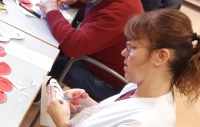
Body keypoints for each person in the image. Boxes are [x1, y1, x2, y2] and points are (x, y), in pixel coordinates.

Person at [46, 9, 200, 127]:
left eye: (132, 47)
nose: (123, 53)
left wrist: (62, 122)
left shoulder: (146, 122)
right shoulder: (140, 87)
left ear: (160, 57)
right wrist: (87, 102)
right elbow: (115, 115)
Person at [37, 0, 143, 101]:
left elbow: (73, 46)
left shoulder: (118, 12)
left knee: (51, 58)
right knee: (55, 45)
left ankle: (36, 98)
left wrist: (51, 10)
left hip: (109, 82)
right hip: (99, 59)